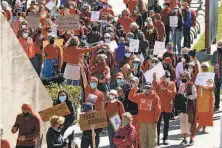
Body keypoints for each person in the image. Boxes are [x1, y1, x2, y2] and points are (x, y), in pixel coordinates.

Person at [128, 81, 161, 148]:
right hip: (142, 122)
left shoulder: (155, 97)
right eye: (145, 87)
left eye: (148, 87)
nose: (147, 89)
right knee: (143, 140)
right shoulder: (140, 96)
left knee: (152, 140)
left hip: (151, 122)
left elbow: (158, 110)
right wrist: (134, 88)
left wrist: (155, 121)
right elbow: (130, 97)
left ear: (151, 88)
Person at [152, 72, 176, 145]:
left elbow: (173, 94)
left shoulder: (172, 84)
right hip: (159, 107)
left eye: (168, 76)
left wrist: (165, 90)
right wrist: (154, 78)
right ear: (162, 77)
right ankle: (158, 139)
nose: (166, 78)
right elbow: (153, 87)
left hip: (167, 107)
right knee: (158, 124)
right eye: (165, 77)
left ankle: (165, 138)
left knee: (166, 124)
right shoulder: (159, 83)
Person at [178, 71, 197, 146]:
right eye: (182, 76)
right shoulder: (181, 85)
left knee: (190, 123)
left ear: (188, 78)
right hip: (182, 108)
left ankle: (191, 140)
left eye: (184, 76)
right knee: (182, 123)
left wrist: (186, 97)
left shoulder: (192, 86)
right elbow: (179, 94)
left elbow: (194, 96)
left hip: (190, 107)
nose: (183, 78)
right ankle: (184, 139)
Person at [196, 62, 215, 133]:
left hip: (208, 96)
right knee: (200, 112)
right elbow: (196, 85)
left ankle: (204, 128)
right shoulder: (199, 75)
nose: (204, 68)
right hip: (200, 96)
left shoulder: (210, 76)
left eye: (205, 67)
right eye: (202, 67)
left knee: (207, 113)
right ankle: (199, 125)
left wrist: (207, 87)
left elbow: (212, 86)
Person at [211, 40, 222, 111]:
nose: (219, 47)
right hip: (216, 73)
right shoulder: (215, 53)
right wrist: (215, 65)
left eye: (220, 45)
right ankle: (216, 105)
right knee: (216, 90)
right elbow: (212, 61)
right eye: (218, 45)